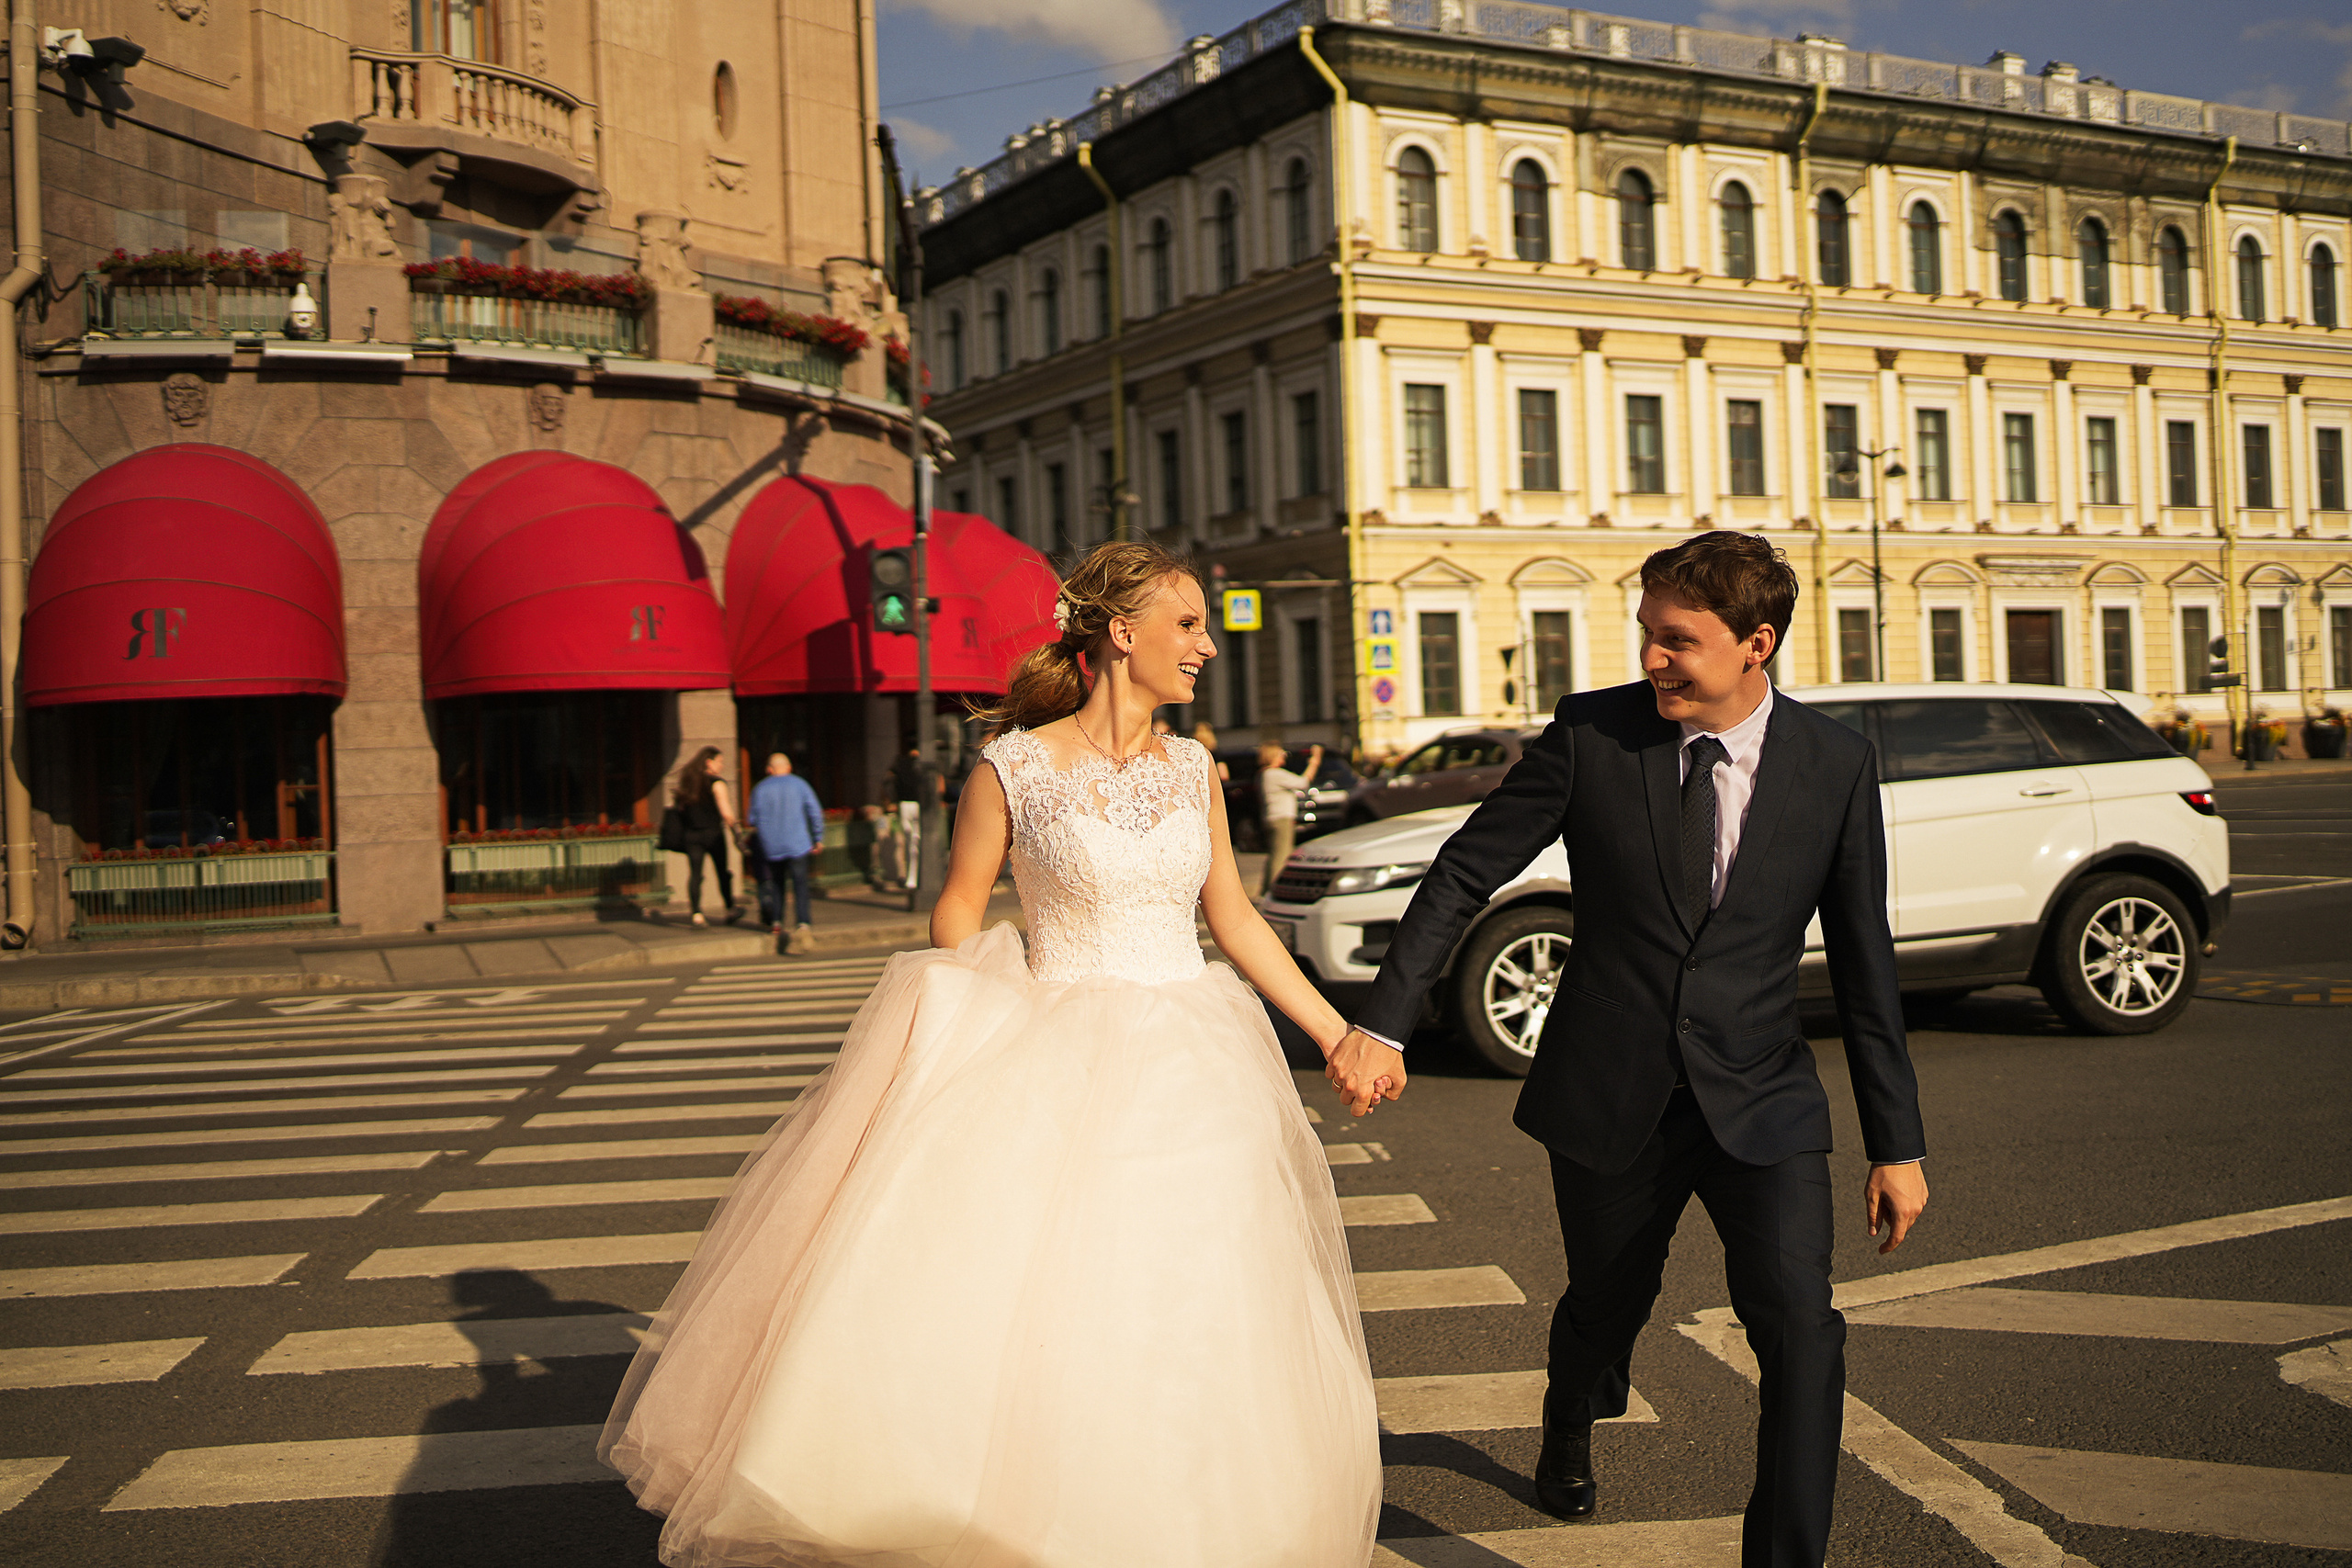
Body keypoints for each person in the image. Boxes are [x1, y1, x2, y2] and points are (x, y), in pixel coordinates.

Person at [603, 540, 1384, 1568]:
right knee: (1046, 1306)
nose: (1205, 646)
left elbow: (1232, 920)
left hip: (1195, 1064)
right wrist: (992, 1015)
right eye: (1187, 624)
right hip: (1052, 1052)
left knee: (1188, 1303)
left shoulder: (1195, 769)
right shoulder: (1014, 765)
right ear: (1121, 633)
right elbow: (960, 909)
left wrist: (1336, 1032)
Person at [1326, 530, 1928, 1568]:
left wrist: (1896, 1142)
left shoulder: (1835, 765)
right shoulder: (1592, 737)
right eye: (1645, 635)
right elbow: (1466, 872)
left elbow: (1866, 959)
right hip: (1611, 1091)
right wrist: (1379, 1023)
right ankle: (1571, 1411)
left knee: (1798, 1322)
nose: (1650, 659)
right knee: (1608, 1302)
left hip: (1761, 1094)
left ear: (1756, 644)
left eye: (1676, 642)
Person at [748, 752, 824, 953]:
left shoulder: (760, 788)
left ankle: (776, 921)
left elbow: (752, 818)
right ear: (788, 767)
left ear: (769, 769)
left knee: (777, 884)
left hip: (772, 845)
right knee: (800, 885)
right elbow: (814, 811)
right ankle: (803, 922)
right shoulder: (800, 785)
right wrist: (817, 837)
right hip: (798, 843)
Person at [670, 747, 738, 928]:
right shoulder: (717, 783)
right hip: (713, 834)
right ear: (709, 762)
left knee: (696, 874)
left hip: (692, 835)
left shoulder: (688, 782)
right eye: (720, 762)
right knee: (722, 872)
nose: (721, 766)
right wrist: (736, 832)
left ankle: (697, 914)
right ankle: (730, 908)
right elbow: (726, 812)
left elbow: (680, 809)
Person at [1256, 740, 1321, 896]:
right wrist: (1315, 762)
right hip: (1281, 819)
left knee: (1274, 855)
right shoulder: (1275, 774)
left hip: (1272, 818)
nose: (1283, 757)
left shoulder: (1264, 774)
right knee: (1281, 856)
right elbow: (1303, 782)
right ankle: (1273, 890)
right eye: (1280, 754)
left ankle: (1266, 890)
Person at [888, 745, 936, 891]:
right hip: (917, 805)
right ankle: (915, 877)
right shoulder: (922, 766)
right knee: (916, 842)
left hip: (905, 805)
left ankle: (912, 878)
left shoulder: (900, 765)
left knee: (910, 843)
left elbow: (889, 782)